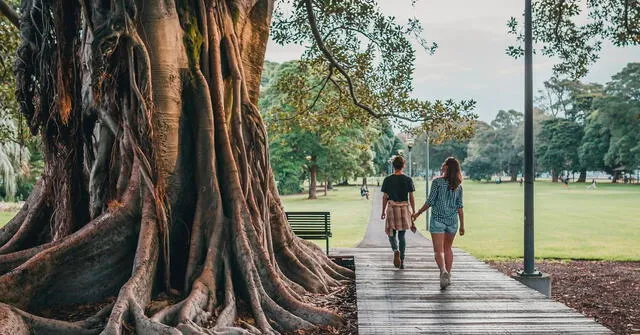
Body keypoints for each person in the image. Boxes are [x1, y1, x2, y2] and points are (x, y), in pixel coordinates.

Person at [413, 157, 464, 290]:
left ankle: (443, 271)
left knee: (438, 250)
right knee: (448, 249)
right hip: (452, 221)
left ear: (447, 167)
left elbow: (430, 201)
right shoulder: (458, 185)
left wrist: (418, 213)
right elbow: (460, 207)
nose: (442, 165)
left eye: (444, 164)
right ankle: (449, 275)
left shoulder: (437, 182)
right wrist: (462, 225)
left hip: (438, 220)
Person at [381, 156, 416, 270]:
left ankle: (395, 250)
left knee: (391, 233)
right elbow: (411, 197)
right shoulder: (408, 179)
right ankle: (402, 260)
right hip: (404, 209)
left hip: (392, 208)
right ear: (403, 165)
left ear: (393, 165)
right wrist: (413, 211)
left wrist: (383, 211)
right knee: (402, 235)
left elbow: (385, 197)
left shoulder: (387, 179)